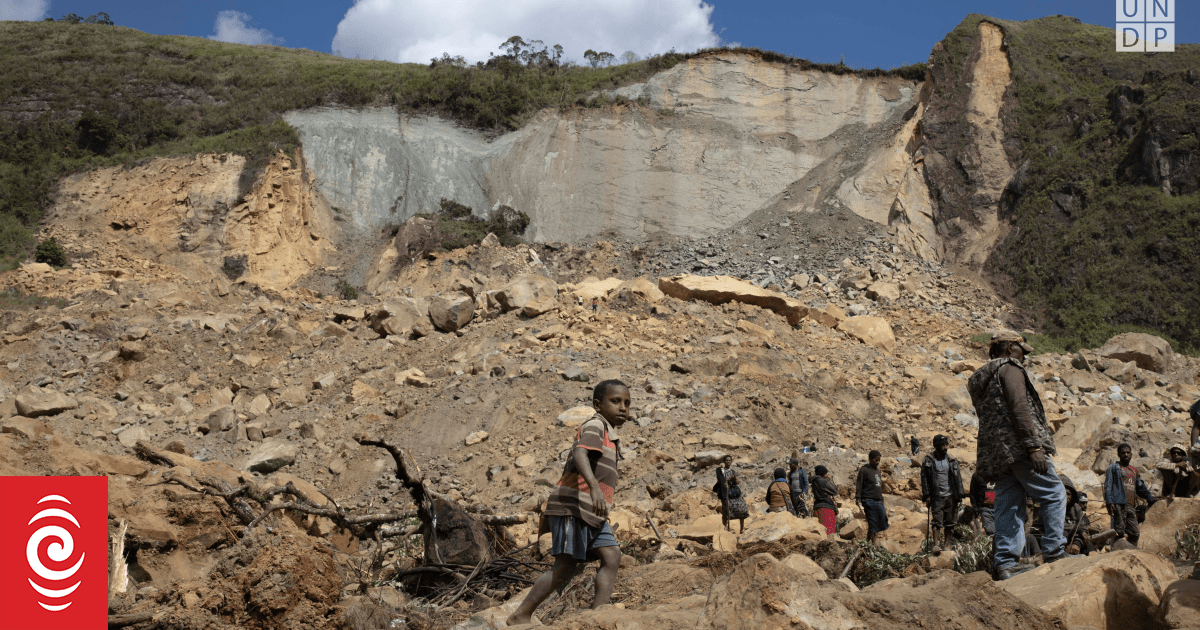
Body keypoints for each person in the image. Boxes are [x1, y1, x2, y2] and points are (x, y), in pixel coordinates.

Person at [508, 380, 631, 625]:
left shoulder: (610, 434)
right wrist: (595, 488)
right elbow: (579, 453)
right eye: (615, 401)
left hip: (592, 512)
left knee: (612, 557)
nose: (623, 407)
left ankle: (598, 617)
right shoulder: (595, 425)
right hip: (573, 508)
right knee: (565, 565)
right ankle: (520, 616)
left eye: (627, 403)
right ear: (597, 404)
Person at [968, 330, 1074, 581]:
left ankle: (1006, 563)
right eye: (1020, 350)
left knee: (1008, 502)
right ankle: (1055, 552)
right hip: (1019, 447)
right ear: (1008, 349)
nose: (1024, 356)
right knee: (1054, 492)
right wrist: (1033, 446)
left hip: (997, 453)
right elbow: (1019, 408)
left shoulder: (982, 377)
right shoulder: (1010, 368)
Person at [1104, 443, 1155, 546]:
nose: (1126, 454)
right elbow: (1108, 486)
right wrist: (1109, 502)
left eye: (1128, 452)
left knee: (1135, 533)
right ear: (1118, 454)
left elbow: (1140, 487)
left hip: (1131, 506)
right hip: (1119, 504)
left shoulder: (1133, 470)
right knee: (1119, 531)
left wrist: (1150, 497)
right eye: (1123, 453)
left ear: (1131, 454)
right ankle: (1116, 553)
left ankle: (1131, 551)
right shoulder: (1114, 467)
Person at [920, 435, 964, 550]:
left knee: (950, 522)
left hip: (951, 496)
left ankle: (946, 545)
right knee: (936, 521)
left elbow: (958, 477)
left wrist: (960, 495)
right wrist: (927, 495)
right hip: (936, 496)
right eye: (942, 445)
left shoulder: (951, 460)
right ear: (936, 446)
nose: (945, 447)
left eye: (946, 445)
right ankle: (936, 545)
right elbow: (924, 478)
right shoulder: (928, 460)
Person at [856, 450, 888, 544]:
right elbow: (859, 484)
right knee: (873, 521)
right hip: (868, 499)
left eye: (879, 460)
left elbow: (879, 486)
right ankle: (873, 544)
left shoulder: (877, 471)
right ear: (870, 459)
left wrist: (881, 499)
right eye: (875, 460)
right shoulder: (864, 470)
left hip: (878, 500)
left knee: (883, 519)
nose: (877, 462)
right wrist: (858, 499)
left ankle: (867, 541)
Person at [713, 455, 749, 533]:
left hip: (735, 492)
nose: (728, 462)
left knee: (742, 508)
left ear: (731, 461)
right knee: (726, 510)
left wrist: (735, 480)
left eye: (729, 460)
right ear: (724, 461)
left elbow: (736, 481)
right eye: (726, 460)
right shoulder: (720, 470)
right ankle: (724, 528)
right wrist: (728, 480)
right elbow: (721, 480)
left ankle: (742, 528)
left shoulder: (733, 471)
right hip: (726, 492)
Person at [812, 465, 838, 535]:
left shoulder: (814, 480)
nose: (827, 474)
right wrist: (829, 480)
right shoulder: (823, 481)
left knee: (820, 534)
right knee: (829, 534)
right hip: (826, 509)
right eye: (826, 473)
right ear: (822, 473)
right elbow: (835, 491)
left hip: (817, 507)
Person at [969, 471, 997, 536]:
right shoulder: (977, 475)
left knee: (1001, 532)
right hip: (985, 509)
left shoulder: (1000, 473)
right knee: (990, 532)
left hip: (999, 508)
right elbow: (973, 492)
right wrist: (975, 507)